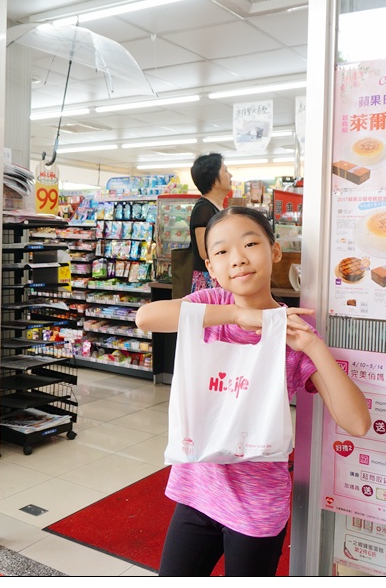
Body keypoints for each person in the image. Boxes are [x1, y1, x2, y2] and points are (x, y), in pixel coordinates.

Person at [136, 207, 371, 576]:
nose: (238, 259)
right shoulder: (210, 304)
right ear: (211, 268)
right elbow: (146, 318)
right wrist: (235, 316)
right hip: (197, 491)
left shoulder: (293, 331)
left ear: (274, 251)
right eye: (222, 252)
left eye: (250, 243)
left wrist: (313, 348)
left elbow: (357, 423)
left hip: (257, 505)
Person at [188, 152, 233, 292]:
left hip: (219, 275)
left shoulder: (217, 207)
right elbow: (204, 252)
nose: (230, 175)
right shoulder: (204, 209)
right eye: (225, 171)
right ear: (213, 179)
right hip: (209, 280)